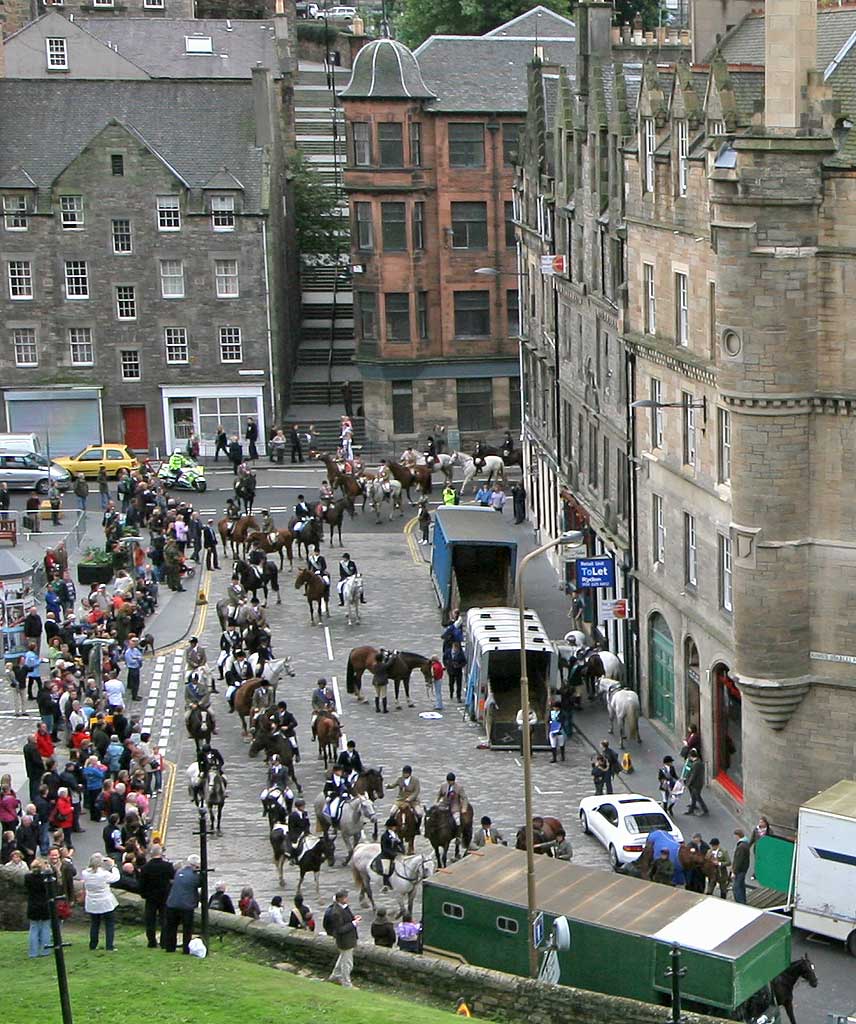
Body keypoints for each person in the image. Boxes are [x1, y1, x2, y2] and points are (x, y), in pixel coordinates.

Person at [163, 854, 202, 953]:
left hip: (172, 903)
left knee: (171, 927)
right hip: (186, 905)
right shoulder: (195, 876)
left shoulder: (179, 872)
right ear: (196, 865)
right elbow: (201, 884)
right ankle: (186, 948)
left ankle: (170, 947)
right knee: (187, 928)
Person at [138, 844, 175, 948]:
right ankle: (164, 942)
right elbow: (172, 878)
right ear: (161, 853)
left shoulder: (145, 867)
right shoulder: (167, 866)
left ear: (151, 854)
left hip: (150, 897)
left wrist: (144, 895)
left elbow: (141, 884)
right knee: (164, 919)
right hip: (164, 896)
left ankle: (151, 942)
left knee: (150, 920)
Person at [82, 852, 120, 951]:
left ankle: (93, 945)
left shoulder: (85, 873)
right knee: (109, 924)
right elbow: (116, 877)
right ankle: (109, 946)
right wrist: (113, 866)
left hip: (92, 901)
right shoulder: (104, 874)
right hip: (105, 902)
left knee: (94, 924)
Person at [324, 889, 360, 988]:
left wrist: (354, 919)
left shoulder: (344, 907)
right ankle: (346, 983)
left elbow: (347, 919)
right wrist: (353, 924)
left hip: (349, 939)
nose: (347, 899)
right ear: (340, 899)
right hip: (344, 940)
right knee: (347, 963)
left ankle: (335, 976)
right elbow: (339, 929)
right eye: (345, 897)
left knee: (342, 959)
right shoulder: (336, 912)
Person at [25, 858, 52, 958]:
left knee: (33, 928)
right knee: (45, 928)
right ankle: (45, 951)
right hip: (45, 904)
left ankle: (33, 952)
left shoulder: (27, 877)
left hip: (32, 904)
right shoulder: (45, 878)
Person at [386, 766, 422, 831]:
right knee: (392, 812)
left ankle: (417, 828)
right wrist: (389, 786)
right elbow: (394, 785)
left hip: (413, 801)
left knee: (419, 813)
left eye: (406, 773)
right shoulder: (400, 779)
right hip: (400, 800)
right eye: (404, 773)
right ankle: (391, 828)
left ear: (410, 773)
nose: (404, 774)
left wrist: (409, 799)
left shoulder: (415, 780)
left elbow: (416, 792)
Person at [378, 817, 405, 890]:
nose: (395, 828)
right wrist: (393, 854)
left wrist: (402, 850)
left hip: (395, 854)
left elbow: (400, 843)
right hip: (386, 855)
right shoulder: (385, 836)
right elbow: (385, 848)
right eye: (394, 826)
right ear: (390, 827)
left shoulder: (395, 835)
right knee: (386, 869)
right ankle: (385, 884)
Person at [684, 749, 708, 816]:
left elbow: (693, 775)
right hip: (697, 783)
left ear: (691, 756)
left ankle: (705, 810)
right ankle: (691, 810)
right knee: (694, 797)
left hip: (696, 784)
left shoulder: (696, 764)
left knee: (697, 797)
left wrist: (688, 783)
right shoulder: (698, 762)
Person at [731, 829, 751, 904]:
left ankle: (740, 903)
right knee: (741, 886)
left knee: (736, 888)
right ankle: (743, 901)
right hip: (744, 869)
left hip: (739, 870)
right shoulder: (745, 844)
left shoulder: (741, 846)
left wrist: (734, 871)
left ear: (737, 835)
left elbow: (738, 860)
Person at [123, 636, 144, 701]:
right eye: (131, 644)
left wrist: (136, 658)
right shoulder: (128, 652)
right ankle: (134, 696)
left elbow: (140, 656)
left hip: (136, 667)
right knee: (135, 682)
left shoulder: (135, 650)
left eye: (134, 644)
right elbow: (130, 661)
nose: (133, 645)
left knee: (136, 681)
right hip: (132, 668)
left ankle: (134, 692)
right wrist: (137, 659)